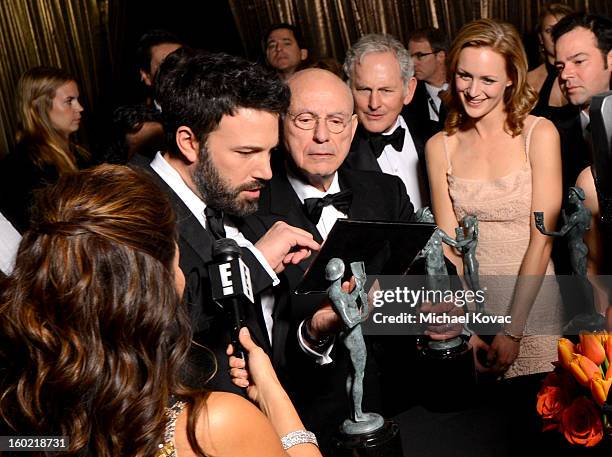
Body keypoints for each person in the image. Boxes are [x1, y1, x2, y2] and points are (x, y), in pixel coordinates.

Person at [0, 164, 322, 457]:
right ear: (154, 289)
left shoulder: (20, 419)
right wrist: (272, 394)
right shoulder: (211, 428)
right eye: (175, 258)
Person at [131, 49, 320, 393]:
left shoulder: (239, 196)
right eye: (246, 153)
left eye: (270, 152)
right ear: (189, 142)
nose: (265, 172)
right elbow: (148, 329)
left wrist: (314, 329)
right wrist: (255, 265)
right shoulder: (123, 208)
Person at [426, 19, 564, 378]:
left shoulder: (539, 134)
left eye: (487, 79)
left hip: (534, 305)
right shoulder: (439, 147)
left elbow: (542, 241)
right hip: (476, 314)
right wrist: (466, 332)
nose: (473, 90)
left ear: (510, 79)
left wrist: (514, 329)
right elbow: (449, 250)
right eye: (464, 76)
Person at [342, 33, 430, 209]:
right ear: (348, 89)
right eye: (364, 89)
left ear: (409, 90)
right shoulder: (338, 153)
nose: (374, 103)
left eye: (386, 90)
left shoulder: (435, 136)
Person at [0, 66, 89, 234]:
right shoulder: (21, 166)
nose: (80, 108)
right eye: (69, 101)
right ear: (40, 108)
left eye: (77, 99)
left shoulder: (79, 154)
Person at [527, 3, 574, 119]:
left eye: (562, 28)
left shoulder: (588, 75)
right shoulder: (527, 81)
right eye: (549, 30)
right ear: (540, 38)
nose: (556, 35)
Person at [406, 27, 449, 140]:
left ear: (440, 56)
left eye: (419, 56)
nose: (412, 63)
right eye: (410, 57)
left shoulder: (465, 89)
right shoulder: (408, 99)